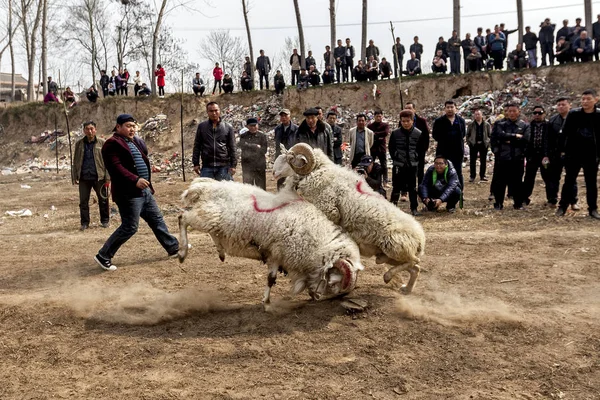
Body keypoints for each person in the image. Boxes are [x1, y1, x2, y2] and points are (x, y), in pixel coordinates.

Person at [94, 114, 179, 271]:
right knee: (130, 227)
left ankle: (173, 248)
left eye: (134, 126)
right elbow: (116, 168)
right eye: (128, 126)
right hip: (128, 193)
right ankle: (103, 255)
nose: (132, 129)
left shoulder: (135, 141)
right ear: (118, 127)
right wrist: (135, 180)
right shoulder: (111, 144)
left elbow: (142, 158)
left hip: (144, 191)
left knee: (156, 219)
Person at [556, 89, 600, 219]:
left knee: (591, 183)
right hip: (574, 154)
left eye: (588, 99)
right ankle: (562, 207)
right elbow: (564, 133)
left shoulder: (598, 115)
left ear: (595, 100)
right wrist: (562, 151)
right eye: (583, 99)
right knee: (569, 181)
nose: (585, 102)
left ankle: (593, 209)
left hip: (592, 155)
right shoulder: (574, 114)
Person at [490, 102, 530, 210]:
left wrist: (508, 140)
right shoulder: (500, 124)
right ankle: (498, 203)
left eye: (514, 111)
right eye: (509, 111)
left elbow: (525, 140)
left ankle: (518, 203)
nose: (511, 113)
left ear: (519, 112)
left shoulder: (524, 125)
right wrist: (515, 136)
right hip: (502, 158)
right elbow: (498, 136)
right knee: (500, 182)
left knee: (517, 182)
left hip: (517, 158)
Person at [73, 120, 109, 231]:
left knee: (103, 200)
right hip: (84, 177)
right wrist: (74, 176)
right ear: (84, 131)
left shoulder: (102, 143)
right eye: (87, 129)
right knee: (83, 201)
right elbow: (76, 160)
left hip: (99, 176)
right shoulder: (79, 144)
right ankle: (84, 223)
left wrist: (108, 178)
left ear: (95, 130)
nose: (90, 131)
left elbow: (107, 161)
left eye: (91, 129)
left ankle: (105, 220)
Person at [389, 110, 426, 215]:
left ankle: (414, 208)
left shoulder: (418, 133)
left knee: (412, 188)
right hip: (399, 165)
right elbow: (391, 148)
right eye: (403, 121)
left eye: (408, 121)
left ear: (412, 121)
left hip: (412, 165)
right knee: (396, 187)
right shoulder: (395, 133)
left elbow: (421, 149)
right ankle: (392, 208)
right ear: (400, 121)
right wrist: (396, 158)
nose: (405, 123)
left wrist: (415, 159)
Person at [192, 102, 236, 181]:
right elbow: (197, 146)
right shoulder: (202, 127)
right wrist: (196, 163)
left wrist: (233, 165)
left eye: (216, 110)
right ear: (207, 112)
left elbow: (232, 147)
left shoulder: (228, 127)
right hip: (207, 166)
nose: (214, 113)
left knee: (226, 191)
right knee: (205, 192)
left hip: (224, 166)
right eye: (211, 111)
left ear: (220, 111)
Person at [547, 97, 577, 209]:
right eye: (559, 105)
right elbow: (548, 138)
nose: (561, 106)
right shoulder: (553, 120)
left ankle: (573, 201)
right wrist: (548, 153)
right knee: (554, 178)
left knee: (571, 178)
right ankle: (552, 200)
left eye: (563, 104)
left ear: (570, 105)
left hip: (571, 153)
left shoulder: (576, 119)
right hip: (556, 153)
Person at [432, 100, 466, 190]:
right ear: (445, 109)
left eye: (452, 107)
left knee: (458, 172)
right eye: (448, 107)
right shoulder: (439, 121)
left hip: (457, 152)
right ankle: (442, 193)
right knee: (442, 172)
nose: (450, 109)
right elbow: (435, 135)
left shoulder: (461, 121)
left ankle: (459, 192)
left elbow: (463, 134)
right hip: (443, 152)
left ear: (456, 108)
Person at [522, 106, 551, 206]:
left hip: (545, 156)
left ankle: (551, 199)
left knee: (548, 177)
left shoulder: (549, 125)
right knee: (529, 178)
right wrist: (526, 154)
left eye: (539, 113)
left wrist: (548, 154)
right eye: (535, 113)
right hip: (532, 156)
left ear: (544, 113)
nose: (537, 115)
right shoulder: (529, 126)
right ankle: (525, 198)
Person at [404, 102, 430, 185]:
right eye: (406, 108)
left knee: (420, 171)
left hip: (419, 150)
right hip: (408, 150)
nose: (408, 110)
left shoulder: (421, 121)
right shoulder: (403, 121)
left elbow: (426, 136)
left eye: (410, 108)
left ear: (414, 110)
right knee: (408, 170)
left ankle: (420, 190)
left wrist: (424, 149)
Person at [239, 117, 268, 190]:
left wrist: (248, 146)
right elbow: (242, 146)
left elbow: (264, 150)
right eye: (251, 126)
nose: (253, 127)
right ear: (247, 126)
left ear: (258, 125)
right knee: (248, 189)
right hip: (247, 166)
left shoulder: (262, 136)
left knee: (261, 188)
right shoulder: (243, 136)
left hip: (259, 166)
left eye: (255, 125)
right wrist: (255, 146)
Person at [274, 109, 298, 189]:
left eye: (285, 116)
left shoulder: (296, 129)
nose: (284, 118)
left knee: (292, 179)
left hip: (292, 158)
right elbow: (277, 145)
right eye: (282, 116)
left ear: (289, 117)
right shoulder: (277, 129)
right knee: (281, 178)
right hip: (281, 157)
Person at [467, 109, 491, 182]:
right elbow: (468, 134)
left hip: (483, 144)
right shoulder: (471, 124)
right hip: (474, 144)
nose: (477, 116)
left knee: (483, 161)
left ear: (482, 115)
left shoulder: (486, 124)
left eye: (479, 114)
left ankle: (482, 175)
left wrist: (488, 143)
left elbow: (489, 135)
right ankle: (472, 176)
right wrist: (469, 143)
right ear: (474, 116)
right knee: (472, 161)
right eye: (476, 114)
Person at [367, 110, 390, 185]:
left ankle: (385, 180)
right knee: (370, 164)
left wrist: (375, 134)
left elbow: (385, 133)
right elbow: (369, 135)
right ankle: (370, 178)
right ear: (374, 117)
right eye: (377, 116)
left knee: (384, 164)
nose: (378, 118)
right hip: (372, 147)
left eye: (380, 116)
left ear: (382, 116)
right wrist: (379, 136)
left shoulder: (385, 125)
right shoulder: (370, 126)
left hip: (381, 148)